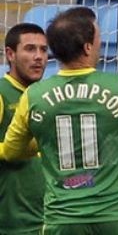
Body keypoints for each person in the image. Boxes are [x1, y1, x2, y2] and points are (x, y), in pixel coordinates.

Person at [0, 6, 118, 235]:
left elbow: (11, 151)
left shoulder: (33, 97)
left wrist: (48, 145)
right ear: (87, 47)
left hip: (62, 219)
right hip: (116, 217)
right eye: (98, 37)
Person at [0, 23, 48, 234]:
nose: (39, 56)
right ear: (10, 54)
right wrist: (14, 150)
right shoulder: (2, 94)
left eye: (43, 50)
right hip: (11, 224)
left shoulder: (47, 97)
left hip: (48, 221)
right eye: (30, 49)